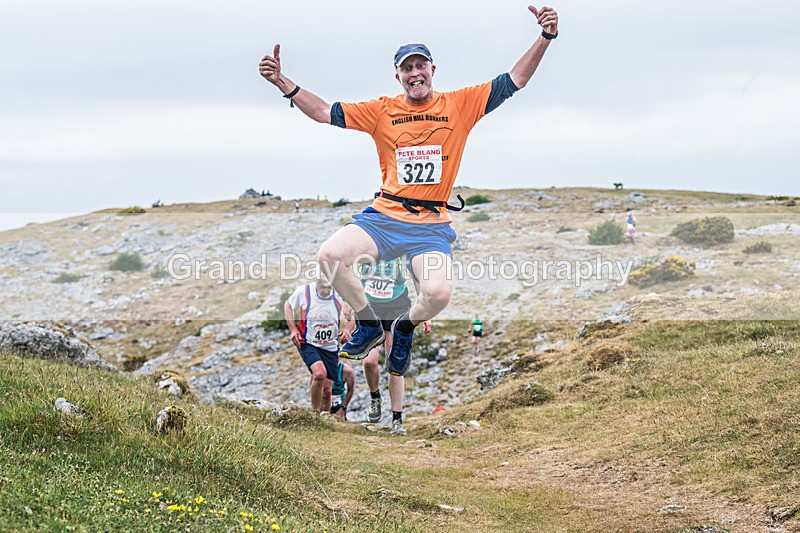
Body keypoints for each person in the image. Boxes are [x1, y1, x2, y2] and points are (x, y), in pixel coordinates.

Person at [259, 6, 559, 379]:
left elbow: (516, 79)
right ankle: (369, 324)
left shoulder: (460, 104)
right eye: (407, 68)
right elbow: (322, 111)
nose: (415, 74)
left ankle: (404, 327)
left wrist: (546, 37)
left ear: (433, 70)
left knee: (437, 295)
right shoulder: (381, 110)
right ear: (398, 75)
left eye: (421, 66)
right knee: (329, 256)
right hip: (385, 216)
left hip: (430, 223)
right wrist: (283, 83)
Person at [357, 257, 432, 434]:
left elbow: (417, 278)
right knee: (369, 361)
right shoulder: (366, 239)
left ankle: (397, 419)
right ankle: (375, 397)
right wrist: (348, 302)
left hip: (396, 304)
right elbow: (344, 268)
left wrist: (426, 313)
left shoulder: (403, 244)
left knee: (395, 361)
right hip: (368, 304)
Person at [284, 279, 354, 412]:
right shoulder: (304, 292)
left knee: (327, 392)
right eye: (322, 287)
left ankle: (324, 420)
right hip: (308, 342)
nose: (326, 291)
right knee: (319, 374)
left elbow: (354, 315)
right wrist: (293, 329)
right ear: (316, 282)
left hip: (330, 346)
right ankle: (315, 414)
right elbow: (288, 305)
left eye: (329, 288)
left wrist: (347, 330)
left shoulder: (340, 293)